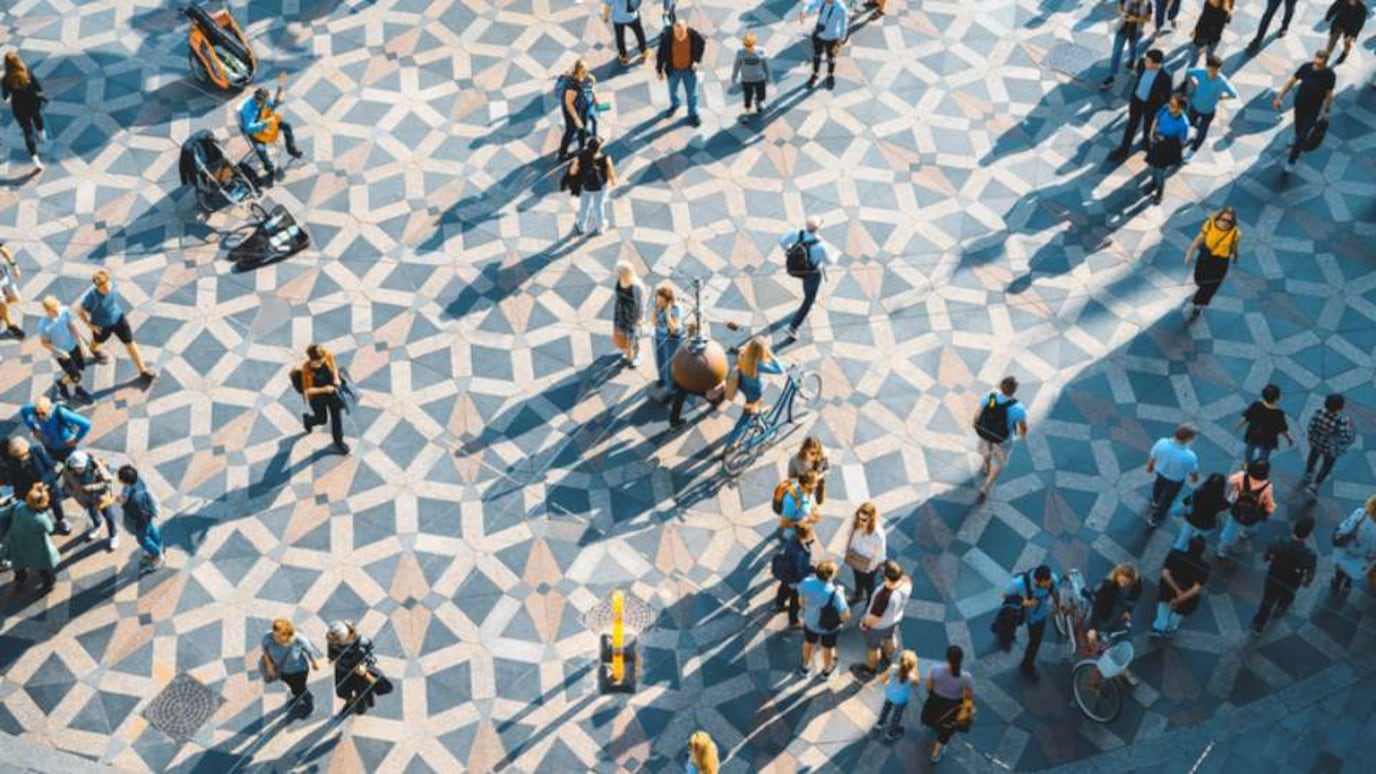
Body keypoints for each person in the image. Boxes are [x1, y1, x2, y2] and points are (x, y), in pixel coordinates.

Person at [75, 270, 156, 381]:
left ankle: (143, 371)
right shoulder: (92, 297)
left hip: (118, 318)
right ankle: (93, 349)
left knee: (130, 342)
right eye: (103, 288)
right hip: (102, 326)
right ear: (97, 286)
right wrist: (90, 326)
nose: (107, 289)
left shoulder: (112, 283)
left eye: (107, 285)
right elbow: (79, 310)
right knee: (97, 342)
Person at [1272, 50, 1336, 175]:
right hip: (1299, 104)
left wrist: (1327, 110)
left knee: (1302, 137)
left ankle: (1291, 161)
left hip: (1313, 109)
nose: (1316, 65)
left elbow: (1329, 94)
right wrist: (1279, 97)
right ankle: (1296, 136)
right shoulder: (1306, 67)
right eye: (1316, 62)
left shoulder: (1330, 75)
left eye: (1320, 64)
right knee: (1298, 126)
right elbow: (1291, 81)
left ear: (1325, 63)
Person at [1250, 516, 1316, 634]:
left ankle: (1258, 625)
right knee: (1288, 595)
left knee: (1267, 600)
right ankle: (1280, 608)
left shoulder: (1278, 541)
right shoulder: (1309, 554)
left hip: (1274, 576)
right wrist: (1307, 581)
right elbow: (1310, 573)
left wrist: (1270, 557)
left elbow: (1265, 556)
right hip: (1293, 580)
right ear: (1308, 534)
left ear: (1294, 528)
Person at [237, 72, 304, 182]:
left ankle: (292, 149)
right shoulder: (248, 109)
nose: (266, 102)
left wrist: (278, 94)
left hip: (268, 121)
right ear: (257, 100)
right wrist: (265, 123)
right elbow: (248, 128)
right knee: (261, 149)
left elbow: (270, 106)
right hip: (257, 132)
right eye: (264, 101)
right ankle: (269, 168)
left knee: (287, 126)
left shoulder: (264, 100)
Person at [1109, 49, 1173, 161]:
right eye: (1146, 60)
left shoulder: (1166, 76)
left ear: (1156, 63)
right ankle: (1123, 150)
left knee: (1148, 125)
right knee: (1131, 126)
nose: (1145, 62)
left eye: (1148, 61)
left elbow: (1167, 96)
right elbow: (1138, 76)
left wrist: (1159, 109)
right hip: (1137, 101)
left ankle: (1145, 140)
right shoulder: (1142, 64)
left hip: (1151, 105)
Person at [779, 216, 835, 343]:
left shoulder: (796, 233)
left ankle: (806, 300)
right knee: (809, 299)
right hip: (811, 273)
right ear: (818, 228)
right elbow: (829, 262)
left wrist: (788, 250)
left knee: (806, 288)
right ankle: (793, 327)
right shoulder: (820, 246)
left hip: (795, 269)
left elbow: (782, 241)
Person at [973, 376, 1029, 499]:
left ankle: (986, 465)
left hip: (985, 433)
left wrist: (976, 425)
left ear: (1001, 387)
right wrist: (1022, 435)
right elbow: (1022, 428)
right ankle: (985, 487)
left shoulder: (991, 397)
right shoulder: (1018, 408)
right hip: (1002, 440)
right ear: (1014, 390)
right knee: (998, 464)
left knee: (985, 450)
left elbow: (978, 413)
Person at [723, 336, 783, 449]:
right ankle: (729, 445)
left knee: (759, 393)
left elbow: (740, 350)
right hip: (754, 392)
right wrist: (770, 354)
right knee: (744, 419)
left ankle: (758, 409)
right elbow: (780, 370)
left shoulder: (743, 354)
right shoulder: (759, 365)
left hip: (742, 385)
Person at [854, 561, 910, 680]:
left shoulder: (883, 596)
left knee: (872, 648)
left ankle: (870, 669)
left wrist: (864, 623)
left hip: (877, 627)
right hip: (895, 619)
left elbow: (873, 620)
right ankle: (887, 657)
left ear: (885, 577)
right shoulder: (907, 582)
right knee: (889, 637)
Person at [4, 437, 71, 535]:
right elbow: (16, 482)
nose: (23, 458)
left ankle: (61, 520)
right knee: (38, 511)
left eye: (24, 454)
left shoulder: (37, 451)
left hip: (49, 488)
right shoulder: (12, 463)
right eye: (19, 456)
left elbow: (51, 468)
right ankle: (45, 525)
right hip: (32, 494)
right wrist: (28, 494)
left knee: (56, 504)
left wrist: (43, 482)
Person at [1182, 207, 1240, 320]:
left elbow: (1234, 247)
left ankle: (1198, 306)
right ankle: (1201, 294)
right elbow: (1198, 239)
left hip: (1221, 262)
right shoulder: (1209, 224)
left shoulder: (1235, 233)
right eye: (1224, 219)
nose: (1226, 223)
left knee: (1210, 286)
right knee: (1199, 279)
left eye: (1229, 221)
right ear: (1218, 217)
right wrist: (1189, 253)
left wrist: (1236, 256)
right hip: (1206, 257)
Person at [3, 483, 61, 594]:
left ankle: (20, 580)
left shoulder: (19, 506)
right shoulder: (40, 518)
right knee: (43, 566)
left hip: (17, 541)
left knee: (19, 563)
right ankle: (49, 584)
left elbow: (4, 513)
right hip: (36, 546)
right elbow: (50, 529)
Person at [922, 645, 975, 763]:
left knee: (934, 719)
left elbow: (928, 687)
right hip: (953, 707)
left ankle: (935, 726)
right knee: (945, 731)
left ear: (947, 657)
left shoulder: (935, 669)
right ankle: (935, 754)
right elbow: (970, 696)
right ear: (961, 659)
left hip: (935, 702)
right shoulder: (966, 677)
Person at [798, 559, 849, 677]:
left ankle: (805, 667)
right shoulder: (835, 593)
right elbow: (845, 616)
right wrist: (842, 594)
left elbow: (801, 602)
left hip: (810, 622)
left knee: (808, 643)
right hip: (829, 628)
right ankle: (826, 671)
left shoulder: (805, 582)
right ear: (831, 576)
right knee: (827, 648)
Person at [36, 295, 93, 402]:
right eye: (53, 311)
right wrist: (59, 351)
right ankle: (79, 390)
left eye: (57, 308)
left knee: (78, 368)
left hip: (73, 346)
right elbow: (44, 343)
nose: (57, 312)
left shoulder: (64, 311)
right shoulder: (43, 326)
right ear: (47, 311)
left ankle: (61, 383)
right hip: (62, 355)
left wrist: (82, 343)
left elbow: (71, 326)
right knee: (76, 375)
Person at [261, 619, 322, 717]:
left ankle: (308, 700)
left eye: (279, 636)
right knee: (292, 686)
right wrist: (269, 666)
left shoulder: (299, 639)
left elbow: (309, 651)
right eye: (274, 634)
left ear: (288, 634)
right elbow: (265, 649)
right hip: (282, 671)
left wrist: (314, 662)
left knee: (300, 687)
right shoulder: (268, 637)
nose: (275, 638)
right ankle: (298, 695)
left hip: (299, 671)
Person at [1006, 565, 1059, 679]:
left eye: (1049, 582)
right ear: (1036, 580)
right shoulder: (1019, 584)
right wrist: (1025, 603)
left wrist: (1058, 605)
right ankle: (1003, 633)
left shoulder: (1052, 579)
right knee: (1008, 625)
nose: (1049, 585)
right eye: (1046, 584)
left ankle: (1026, 665)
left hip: (1039, 617)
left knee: (1035, 642)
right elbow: (1006, 595)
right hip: (1020, 614)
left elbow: (1055, 592)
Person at [1151, 536, 1210, 638]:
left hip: (1168, 589)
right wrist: (1179, 599)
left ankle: (1159, 627)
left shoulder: (1175, 554)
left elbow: (1165, 574)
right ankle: (1169, 629)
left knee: (1164, 606)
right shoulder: (1205, 567)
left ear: (1188, 545)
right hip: (1188, 598)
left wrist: (1177, 590)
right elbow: (1195, 589)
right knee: (1178, 614)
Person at [1216, 460, 1276, 560]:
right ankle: (1245, 534)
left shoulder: (1242, 476)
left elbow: (1230, 480)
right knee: (1252, 526)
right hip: (1252, 515)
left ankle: (1221, 552)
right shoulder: (1267, 486)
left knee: (1230, 532)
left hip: (1237, 511)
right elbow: (1268, 503)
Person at [59, 451, 117, 550]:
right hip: (86, 498)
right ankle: (98, 525)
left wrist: (90, 488)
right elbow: (66, 483)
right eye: (76, 468)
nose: (78, 470)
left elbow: (107, 483)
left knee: (109, 516)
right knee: (92, 512)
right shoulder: (68, 467)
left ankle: (113, 536)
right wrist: (74, 492)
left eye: (81, 468)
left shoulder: (96, 467)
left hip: (101, 496)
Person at [1182, 56, 1237, 160]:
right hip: (1194, 107)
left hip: (1208, 111)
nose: (1213, 72)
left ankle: (1193, 151)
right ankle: (1188, 138)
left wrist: (1221, 97)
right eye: (1211, 69)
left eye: (1216, 70)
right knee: (1189, 125)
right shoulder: (1200, 72)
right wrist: (1192, 81)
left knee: (1202, 132)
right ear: (1207, 67)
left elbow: (1233, 94)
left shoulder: (1222, 81)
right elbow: (1189, 72)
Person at [2, 51, 49, 171]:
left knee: (27, 131)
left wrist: (9, 97)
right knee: (37, 116)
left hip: (19, 107)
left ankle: (35, 160)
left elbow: (5, 97)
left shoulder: (5, 79)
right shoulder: (26, 72)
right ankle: (42, 135)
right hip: (32, 102)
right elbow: (38, 88)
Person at [1146, 424, 1200, 527]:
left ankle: (1155, 501)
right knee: (1167, 499)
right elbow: (1193, 471)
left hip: (1160, 472)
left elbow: (1153, 456)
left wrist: (1149, 467)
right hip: (1175, 480)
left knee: (1158, 486)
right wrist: (1194, 478)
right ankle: (1156, 517)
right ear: (1189, 439)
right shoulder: (1189, 456)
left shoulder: (1161, 442)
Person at [300, 344, 350, 454]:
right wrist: (324, 389)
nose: (320, 363)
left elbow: (334, 367)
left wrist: (336, 378)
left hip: (331, 393)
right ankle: (308, 420)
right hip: (318, 397)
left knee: (336, 417)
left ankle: (338, 442)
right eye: (317, 362)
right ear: (311, 359)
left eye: (321, 361)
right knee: (322, 419)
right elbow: (307, 390)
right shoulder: (307, 368)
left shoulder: (327, 356)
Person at [1302, 393, 1356, 495]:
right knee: (1326, 466)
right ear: (1341, 407)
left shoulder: (1318, 413)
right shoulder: (1342, 421)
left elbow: (1311, 427)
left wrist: (1312, 438)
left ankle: (1308, 473)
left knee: (1313, 456)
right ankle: (1315, 485)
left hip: (1317, 443)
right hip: (1330, 449)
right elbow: (1345, 437)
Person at [656, 21, 706, 127]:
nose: (680, 36)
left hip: (689, 69)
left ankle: (693, 114)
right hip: (673, 70)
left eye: (682, 33)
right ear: (673, 30)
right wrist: (659, 70)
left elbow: (701, 44)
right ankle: (675, 104)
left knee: (692, 94)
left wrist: (696, 60)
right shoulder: (667, 38)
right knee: (672, 90)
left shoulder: (693, 36)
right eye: (678, 33)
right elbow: (660, 55)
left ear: (686, 29)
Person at [326, 620, 379, 716]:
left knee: (361, 693)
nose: (333, 643)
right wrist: (331, 658)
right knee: (342, 691)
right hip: (342, 670)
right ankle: (349, 702)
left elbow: (372, 657)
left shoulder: (363, 642)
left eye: (336, 641)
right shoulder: (333, 640)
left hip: (359, 674)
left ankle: (361, 705)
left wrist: (365, 664)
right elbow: (331, 653)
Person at [20, 395, 91, 463]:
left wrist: (76, 440)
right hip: (48, 443)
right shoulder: (35, 409)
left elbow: (86, 424)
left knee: (67, 460)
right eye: (37, 414)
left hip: (64, 445)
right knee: (52, 456)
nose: (40, 416)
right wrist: (33, 428)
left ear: (49, 408)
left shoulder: (61, 413)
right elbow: (23, 411)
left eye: (43, 413)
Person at [117, 465, 164, 568]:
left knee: (142, 539)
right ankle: (159, 545)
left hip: (141, 519)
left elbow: (133, 511)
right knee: (151, 528)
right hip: (147, 513)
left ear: (125, 481)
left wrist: (121, 501)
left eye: (120, 478)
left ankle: (157, 555)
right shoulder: (138, 481)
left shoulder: (135, 500)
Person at [1145, 94, 1188, 204]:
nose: (1170, 106)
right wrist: (1151, 134)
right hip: (1157, 142)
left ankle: (1160, 192)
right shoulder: (1165, 108)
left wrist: (1168, 143)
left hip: (1166, 149)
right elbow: (1156, 119)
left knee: (1160, 172)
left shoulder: (1183, 123)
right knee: (1153, 166)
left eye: (1173, 105)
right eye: (1171, 103)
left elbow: (1181, 142)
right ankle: (1153, 183)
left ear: (1180, 109)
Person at [569, 137, 616, 236]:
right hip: (600, 186)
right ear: (599, 148)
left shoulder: (581, 156)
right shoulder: (606, 157)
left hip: (586, 186)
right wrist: (612, 181)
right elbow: (610, 171)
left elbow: (572, 171)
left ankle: (581, 226)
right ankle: (600, 227)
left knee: (584, 206)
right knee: (598, 206)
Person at [1102, 0, 1154, 88]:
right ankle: (1111, 76)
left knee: (1133, 48)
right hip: (1122, 28)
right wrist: (1124, 14)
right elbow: (1120, 7)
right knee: (1116, 52)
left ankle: (1131, 62)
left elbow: (1148, 19)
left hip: (1136, 31)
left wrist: (1136, 19)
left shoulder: (1147, 4)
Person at [1236, 383, 1293, 464]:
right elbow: (1282, 429)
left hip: (1253, 434)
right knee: (1264, 454)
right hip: (1268, 439)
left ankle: (1247, 462)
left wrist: (1238, 426)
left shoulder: (1256, 405)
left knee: (1250, 448)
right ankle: (1260, 466)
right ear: (1278, 398)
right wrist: (1289, 438)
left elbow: (1246, 417)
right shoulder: (1278, 414)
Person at [1331, 495, 1376, 593]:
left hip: (1347, 549)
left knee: (1341, 567)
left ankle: (1337, 583)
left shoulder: (1360, 513)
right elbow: (1373, 552)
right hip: (1360, 557)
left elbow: (1344, 529)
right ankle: (1347, 583)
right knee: (1353, 568)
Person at [844, 503, 887, 606]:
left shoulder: (877, 534)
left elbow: (880, 554)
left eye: (864, 520)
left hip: (868, 564)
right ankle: (858, 596)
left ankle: (870, 603)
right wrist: (847, 550)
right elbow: (850, 535)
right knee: (857, 580)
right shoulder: (856, 523)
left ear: (871, 519)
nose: (860, 521)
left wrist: (870, 568)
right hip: (855, 557)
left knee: (869, 585)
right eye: (859, 517)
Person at [800, 0, 849, 90]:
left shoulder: (841, 8)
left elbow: (844, 26)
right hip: (818, 34)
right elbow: (811, 4)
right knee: (816, 56)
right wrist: (804, 11)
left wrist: (840, 41)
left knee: (831, 58)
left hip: (832, 38)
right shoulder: (823, 1)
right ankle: (815, 74)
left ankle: (830, 75)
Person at [774, 523, 816, 626]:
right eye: (812, 533)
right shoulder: (799, 553)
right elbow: (800, 571)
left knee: (784, 587)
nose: (813, 535)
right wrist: (812, 569)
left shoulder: (794, 539)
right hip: (795, 578)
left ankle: (779, 604)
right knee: (795, 600)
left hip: (786, 573)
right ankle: (794, 621)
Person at [1173, 472, 1229, 550]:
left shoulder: (1198, 492)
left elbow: (1187, 501)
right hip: (1206, 525)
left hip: (1191, 520)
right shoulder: (1221, 500)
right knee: (1197, 542)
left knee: (1182, 539)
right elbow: (1226, 506)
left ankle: (1178, 551)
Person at [556, 59, 598, 161]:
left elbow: (590, 88)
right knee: (571, 130)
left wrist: (595, 99)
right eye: (583, 72)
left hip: (583, 105)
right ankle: (562, 153)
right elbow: (568, 103)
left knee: (583, 124)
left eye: (587, 71)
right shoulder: (572, 84)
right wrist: (575, 119)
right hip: (572, 109)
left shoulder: (588, 78)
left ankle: (582, 146)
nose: (586, 74)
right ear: (577, 71)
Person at [874, 649, 919, 742]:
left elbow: (882, 679)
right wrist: (915, 671)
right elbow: (916, 685)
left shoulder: (893, 668)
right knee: (897, 715)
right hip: (900, 699)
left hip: (889, 694)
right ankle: (891, 733)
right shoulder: (912, 677)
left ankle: (880, 723)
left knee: (886, 708)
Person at [611, 262, 647, 367]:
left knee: (633, 336)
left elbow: (641, 304)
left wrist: (640, 318)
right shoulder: (620, 280)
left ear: (625, 273)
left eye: (618, 272)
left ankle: (637, 355)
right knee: (622, 333)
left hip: (632, 315)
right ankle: (627, 351)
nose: (616, 274)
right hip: (620, 312)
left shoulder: (636, 286)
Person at [1090, 563, 1142, 634]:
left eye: (1125, 583)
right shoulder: (1109, 584)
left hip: (1120, 604)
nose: (1122, 585)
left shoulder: (1136, 584)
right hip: (1110, 603)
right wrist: (1092, 628)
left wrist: (1129, 611)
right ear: (1117, 576)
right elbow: (1097, 604)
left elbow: (1134, 598)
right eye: (1121, 581)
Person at [731, 32, 772, 120]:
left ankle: (758, 103)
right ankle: (747, 111)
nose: (748, 47)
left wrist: (768, 76)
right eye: (746, 45)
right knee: (747, 96)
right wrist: (734, 76)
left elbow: (766, 65)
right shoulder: (740, 52)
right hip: (747, 79)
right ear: (744, 44)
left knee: (762, 95)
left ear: (754, 43)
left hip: (760, 78)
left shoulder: (761, 51)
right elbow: (736, 65)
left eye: (750, 45)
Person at [652, 284, 684, 391]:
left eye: (661, 300)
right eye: (657, 299)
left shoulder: (676, 308)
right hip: (660, 334)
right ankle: (662, 378)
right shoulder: (658, 305)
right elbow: (653, 322)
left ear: (668, 300)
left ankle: (671, 389)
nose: (658, 302)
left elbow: (674, 329)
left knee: (669, 363)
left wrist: (667, 314)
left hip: (671, 338)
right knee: (660, 358)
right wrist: (656, 310)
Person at [1187, 0, 1233, 71]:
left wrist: (1207, 45)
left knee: (1203, 58)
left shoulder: (1221, 10)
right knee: (1199, 58)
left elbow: (1216, 31)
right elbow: (1202, 17)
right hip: (1203, 37)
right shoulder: (1210, 4)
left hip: (1207, 39)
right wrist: (1195, 29)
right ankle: (1191, 76)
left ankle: (1201, 75)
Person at [603, 0, 649, 66]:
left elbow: (607, 7)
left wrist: (605, 17)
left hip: (618, 19)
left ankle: (623, 56)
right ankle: (644, 51)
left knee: (620, 37)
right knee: (639, 33)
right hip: (632, 17)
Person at [788, 436, 829, 504]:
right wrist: (806, 480)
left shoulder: (822, 456)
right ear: (805, 450)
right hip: (803, 488)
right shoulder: (795, 460)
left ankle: (819, 501)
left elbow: (826, 469)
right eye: (812, 453)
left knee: (819, 500)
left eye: (817, 452)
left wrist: (818, 477)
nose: (815, 456)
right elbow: (791, 478)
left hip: (818, 483)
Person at [1324, 0, 1368, 65]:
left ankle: (1345, 53)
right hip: (1338, 24)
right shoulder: (1342, 1)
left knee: (1347, 43)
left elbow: (1360, 23)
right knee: (1332, 41)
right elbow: (1334, 7)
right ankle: (1326, 56)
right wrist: (1328, 16)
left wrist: (1353, 34)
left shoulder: (1362, 8)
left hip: (1350, 29)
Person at [0, 242, 24, 338]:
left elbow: (5, 251)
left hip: (3, 275)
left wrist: (14, 266)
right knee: (2, 302)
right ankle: (11, 326)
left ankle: (1, 311)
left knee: (16, 298)